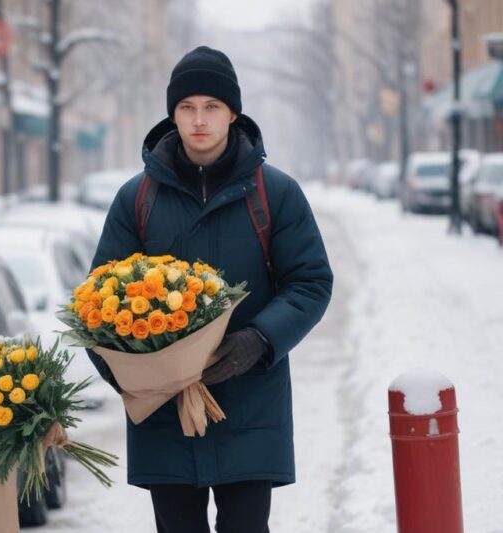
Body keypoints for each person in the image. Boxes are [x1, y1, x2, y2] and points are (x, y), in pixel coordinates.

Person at [85, 46, 334, 533]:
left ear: (232, 113)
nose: (199, 120)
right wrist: (124, 368)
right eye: (187, 107)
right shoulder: (137, 198)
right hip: (164, 412)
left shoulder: (275, 193)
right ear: (173, 114)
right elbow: (97, 298)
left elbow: (311, 282)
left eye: (212, 107)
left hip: (250, 403)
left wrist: (260, 340)